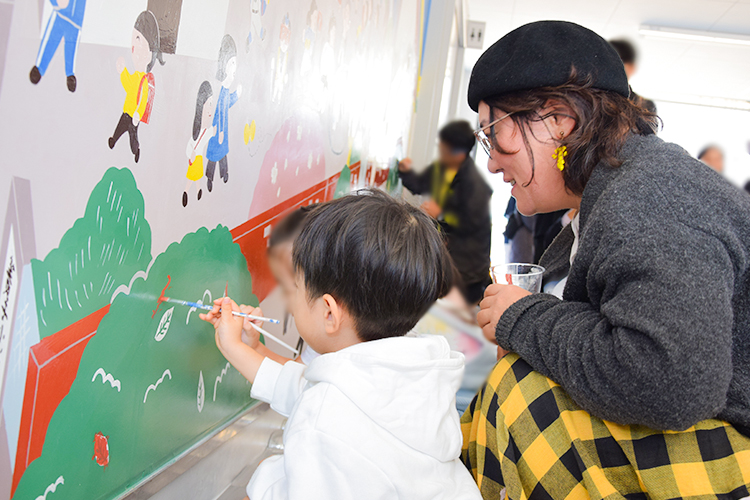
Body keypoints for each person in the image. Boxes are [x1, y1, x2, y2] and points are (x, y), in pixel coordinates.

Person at [463, 21, 750, 498]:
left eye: (493, 135)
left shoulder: (652, 195)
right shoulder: (620, 187)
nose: (491, 162)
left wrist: (524, 317)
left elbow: (674, 383)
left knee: (522, 393)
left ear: (558, 121)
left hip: (734, 444)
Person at [201, 190, 481, 500]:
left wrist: (264, 483)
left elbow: (317, 405)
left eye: (295, 287)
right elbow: (304, 388)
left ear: (329, 314)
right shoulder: (410, 371)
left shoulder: (326, 419)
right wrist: (247, 348)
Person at [398, 121, 492, 304]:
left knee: (457, 314)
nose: (440, 151)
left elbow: (471, 225)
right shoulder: (444, 167)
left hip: (468, 270)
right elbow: (420, 184)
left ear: (460, 153)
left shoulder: (475, 186)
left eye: (444, 148)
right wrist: (405, 172)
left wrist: (441, 212)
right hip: (449, 261)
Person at [108, 11, 165, 163]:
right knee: (120, 128)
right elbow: (128, 85)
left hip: (134, 116)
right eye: (135, 40)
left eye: (139, 40)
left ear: (150, 53)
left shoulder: (144, 81)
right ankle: (113, 139)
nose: (134, 47)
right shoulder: (135, 76)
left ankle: (136, 150)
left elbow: (144, 99)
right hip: (126, 111)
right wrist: (123, 71)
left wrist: (138, 114)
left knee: (133, 135)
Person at [206, 35, 242, 192]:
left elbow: (226, 105)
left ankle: (224, 173)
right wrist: (220, 132)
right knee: (215, 155)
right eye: (232, 63)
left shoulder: (225, 90)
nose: (234, 68)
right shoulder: (221, 91)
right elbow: (220, 112)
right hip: (218, 131)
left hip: (222, 131)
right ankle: (210, 177)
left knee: (222, 153)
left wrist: (236, 95)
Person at [29, 0, 87, 92]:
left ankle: (70, 74)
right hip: (60, 14)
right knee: (50, 40)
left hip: (75, 22)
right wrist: (56, 3)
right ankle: (40, 67)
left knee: (71, 48)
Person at [183, 81, 215, 207]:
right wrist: (190, 154)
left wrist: (213, 131)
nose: (211, 109)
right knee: (192, 176)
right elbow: (190, 145)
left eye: (212, 104)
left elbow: (209, 134)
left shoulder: (206, 131)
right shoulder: (196, 132)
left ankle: (198, 190)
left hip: (199, 158)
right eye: (209, 104)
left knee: (197, 176)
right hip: (195, 158)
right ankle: (186, 191)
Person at [609, 38, 657, 114]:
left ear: (631, 67)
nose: (613, 68)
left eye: (620, 62)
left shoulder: (645, 105)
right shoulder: (593, 97)